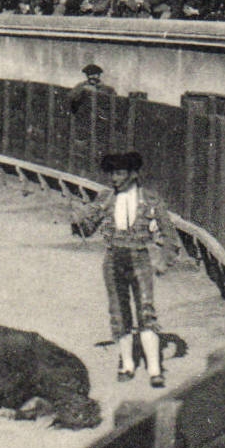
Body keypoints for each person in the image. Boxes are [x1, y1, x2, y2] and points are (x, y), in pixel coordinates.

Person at [71, 151, 176, 387]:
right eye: (112, 173)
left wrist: (163, 261)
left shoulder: (150, 200)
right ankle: (127, 364)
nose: (114, 179)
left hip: (140, 257)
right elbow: (88, 229)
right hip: (113, 258)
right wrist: (77, 222)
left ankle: (155, 369)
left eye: (119, 173)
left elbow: (170, 235)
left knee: (146, 311)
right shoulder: (105, 198)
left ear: (133, 174)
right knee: (119, 312)